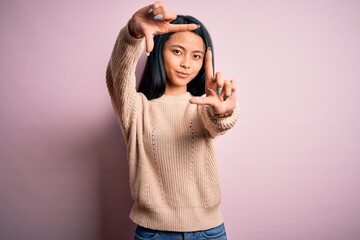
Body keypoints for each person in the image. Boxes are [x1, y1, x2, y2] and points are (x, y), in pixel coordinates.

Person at [106, 1, 239, 239]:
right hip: (155, 233)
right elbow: (118, 75)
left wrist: (223, 112)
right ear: (159, 51)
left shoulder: (203, 108)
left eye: (196, 56)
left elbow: (218, 123)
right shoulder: (137, 109)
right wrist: (131, 35)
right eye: (177, 51)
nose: (187, 63)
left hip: (209, 232)